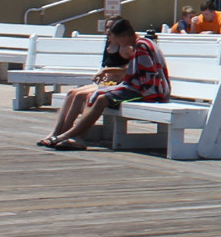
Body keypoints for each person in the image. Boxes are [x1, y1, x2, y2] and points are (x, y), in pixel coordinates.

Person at [40, 18, 166, 150]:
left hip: (150, 92)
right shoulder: (141, 44)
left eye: (118, 39)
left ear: (123, 36)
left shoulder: (142, 47)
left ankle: (71, 135)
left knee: (101, 98)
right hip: (139, 87)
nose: (118, 43)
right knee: (96, 95)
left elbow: (145, 76)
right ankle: (73, 136)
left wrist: (117, 83)